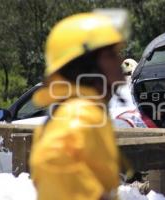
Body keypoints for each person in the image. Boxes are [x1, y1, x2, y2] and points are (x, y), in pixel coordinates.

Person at [29, 12, 128, 200]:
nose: (120, 62)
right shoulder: (80, 114)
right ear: (84, 65)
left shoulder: (85, 109)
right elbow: (52, 158)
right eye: (111, 55)